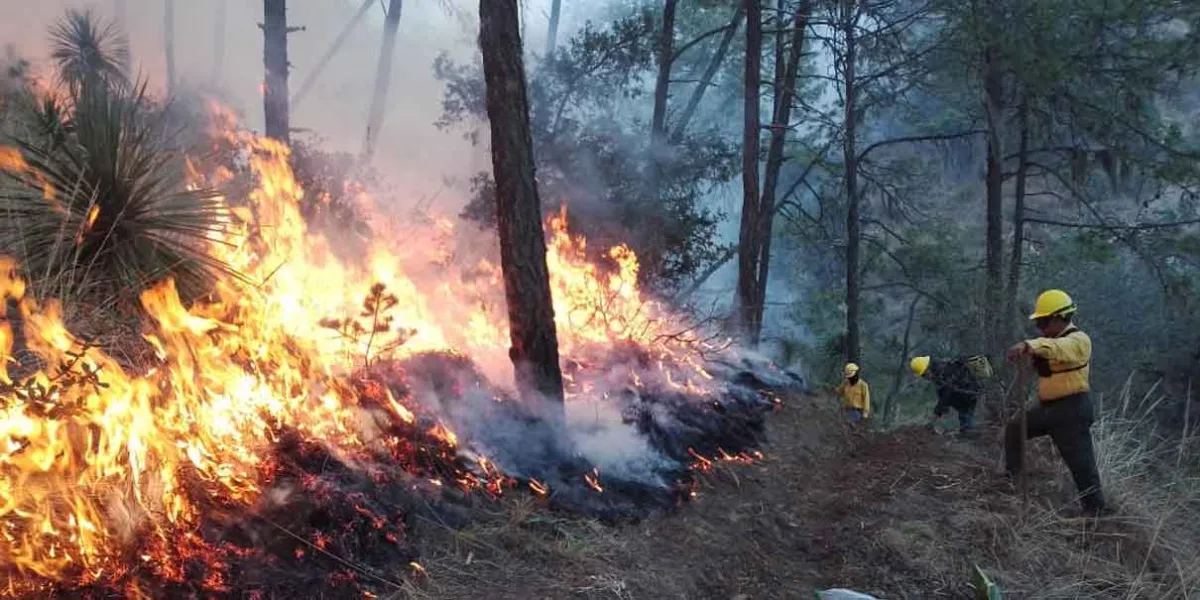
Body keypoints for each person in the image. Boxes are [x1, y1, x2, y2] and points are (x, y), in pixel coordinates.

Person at [1005, 289, 1106, 516]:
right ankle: (1012, 479)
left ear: (1059, 318)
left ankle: (1096, 512)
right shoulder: (1049, 343)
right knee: (1014, 429)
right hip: (1047, 409)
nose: (1040, 327)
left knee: (1081, 465)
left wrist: (1029, 345)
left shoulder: (1079, 341)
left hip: (1072, 411)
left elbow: (1058, 349)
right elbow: (1042, 367)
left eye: (1042, 321)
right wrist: (1024, 361)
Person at [911, 355, 983, 437]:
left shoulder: (943, 372)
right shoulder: (941, 369)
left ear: (927, 369)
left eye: (924, 375)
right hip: (967, 393)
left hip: (968, 393)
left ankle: (970, 433)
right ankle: (967, 431)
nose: (925, 378)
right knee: (964, 414)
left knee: (965, 413)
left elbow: (946, 394)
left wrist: (937, 412)